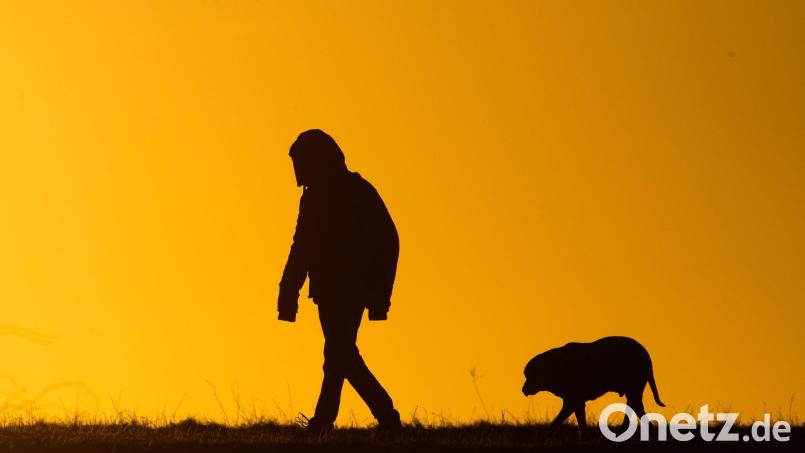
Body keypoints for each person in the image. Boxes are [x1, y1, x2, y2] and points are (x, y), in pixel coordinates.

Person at [278, 129, 402, 438]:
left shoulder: (358, 192)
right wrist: (287, 293)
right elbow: (302, 246)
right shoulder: (312, 199)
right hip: (326, 292)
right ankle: (380, 416)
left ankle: (334, 420)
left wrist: (379, 296)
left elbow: (388, 242)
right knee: (340, 355)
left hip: (353, 290)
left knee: (338, 354)